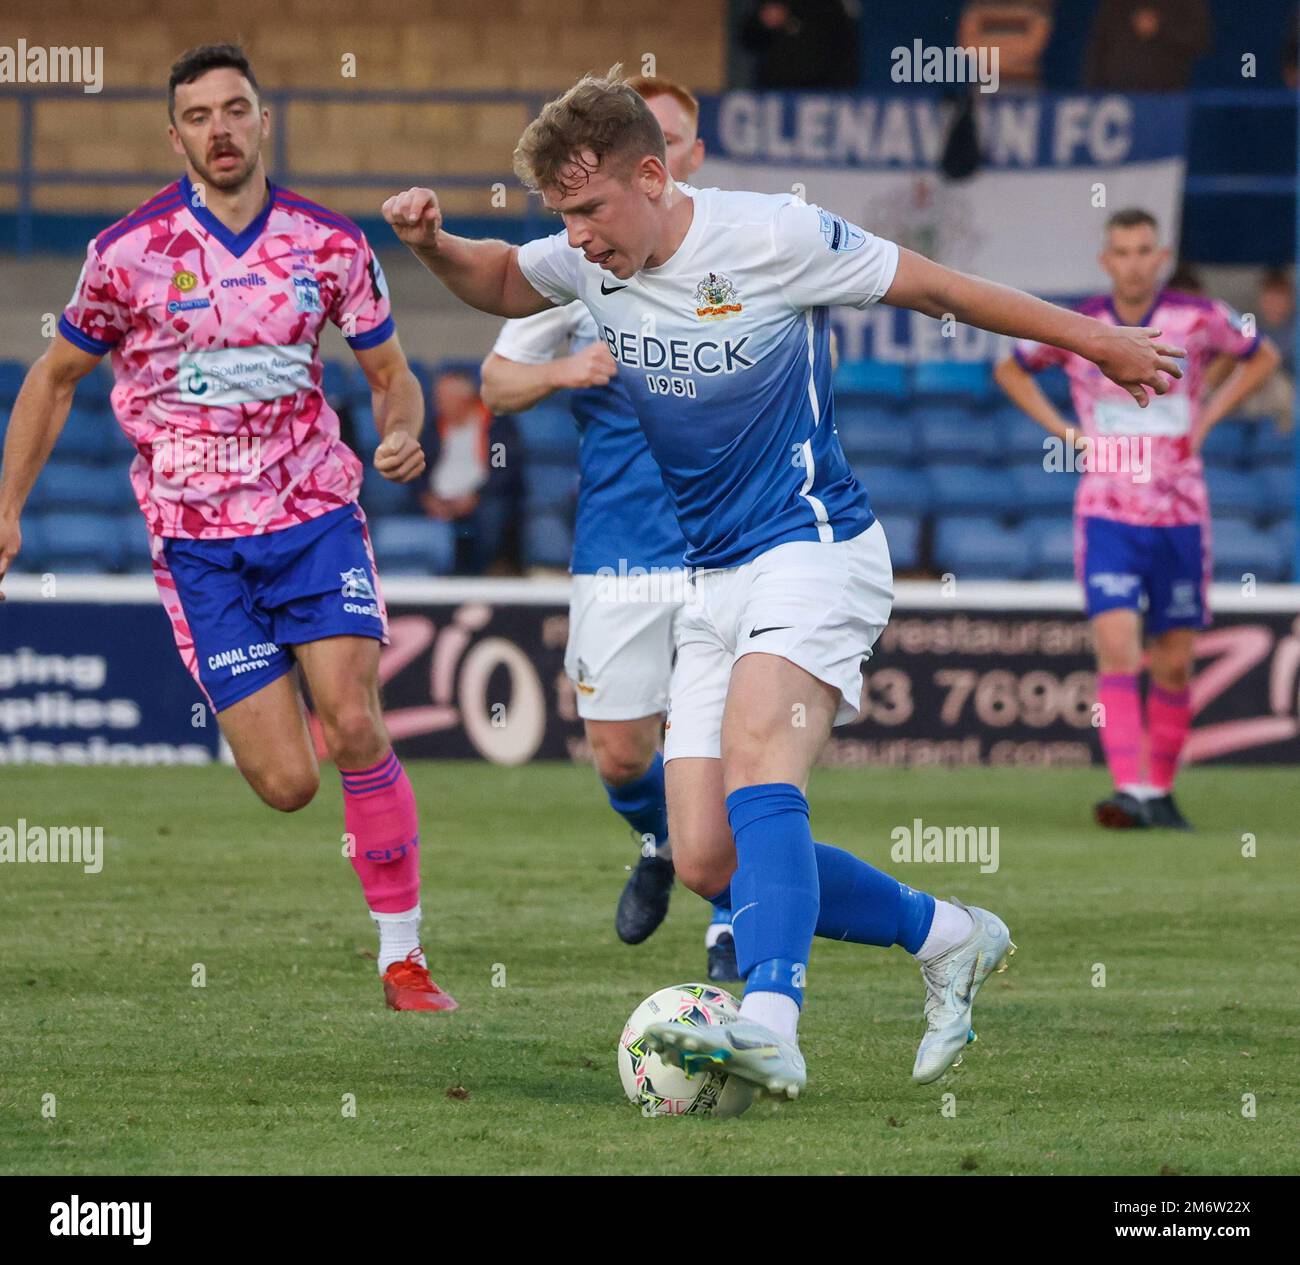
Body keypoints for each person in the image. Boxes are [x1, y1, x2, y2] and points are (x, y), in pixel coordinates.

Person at [381, 68, 1182, 1099]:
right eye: (563, 217)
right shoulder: (589, 259)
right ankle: (948, 934)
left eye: (588, 210)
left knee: (762, 753)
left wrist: (1099, 340)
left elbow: (941, 288)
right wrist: (431, 243)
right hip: (712, 575)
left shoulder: (773, 236)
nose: (575, 237)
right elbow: (498, 277)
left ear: (652, 177)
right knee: (709, 858)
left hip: (814, 548)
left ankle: (770, 1023)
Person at [0, 44, 456, 1014]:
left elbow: (392, 376)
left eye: (235, 110)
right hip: (199, 547)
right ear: (175, 137)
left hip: (314, 518)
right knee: (289, 782)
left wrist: (402, 431)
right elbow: (52, 378)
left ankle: (404, 958)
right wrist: (6, 509)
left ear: (262, 121)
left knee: (353, 718)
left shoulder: (330, 244)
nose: (220, 129)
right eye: (199, 116)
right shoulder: (127, 254)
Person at [479, 75, 737, 982]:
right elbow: (495, 382)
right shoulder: (581, 260)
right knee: (622, 751)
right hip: (620, 547)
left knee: (732, 748)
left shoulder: (740, 253)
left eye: (670, 134)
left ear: (685, 157)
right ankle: (662, 839)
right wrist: (564, 371)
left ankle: (731, 919)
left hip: (725, 546)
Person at [995, 208, 1280, 831]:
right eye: (1121, 251)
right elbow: (1011, 365)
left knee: (1174, 661)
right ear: (1106, 261)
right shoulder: (1080, 325)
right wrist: (1063, 432)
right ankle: (1129, 791)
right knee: (1118, 646)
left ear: (1162, 257)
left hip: (1181, 513)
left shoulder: (1198, 317)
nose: (1132, 263)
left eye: (1144, 250)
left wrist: (1208, 412)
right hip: (1108, 513)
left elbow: (1259, 355)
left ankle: (1160, 792)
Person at [1084, 0, 1211, 91]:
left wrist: (1160, 29)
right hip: (1115, 97)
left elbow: (1199, 40)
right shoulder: (1114, 4)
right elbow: (1098, 47)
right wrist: (1088, 91)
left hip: (1165, 96)